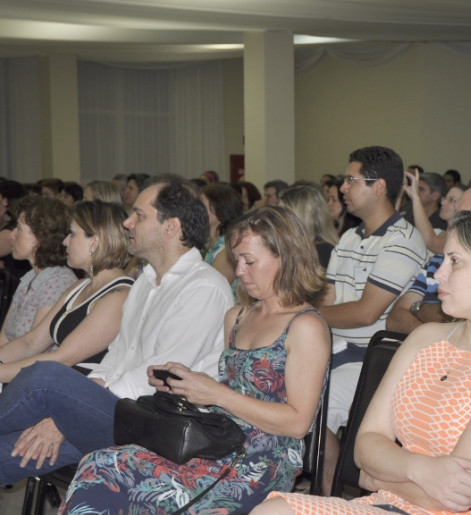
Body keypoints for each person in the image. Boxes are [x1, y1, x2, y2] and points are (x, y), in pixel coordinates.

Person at [255, 207, 471, 515]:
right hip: (391, 506)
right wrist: (418, 470)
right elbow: (364, 446)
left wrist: (380, 477)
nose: (439, 274)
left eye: (455, 261)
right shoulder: (426, 338)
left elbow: (455, 496)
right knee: (273, 510)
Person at [59, 206, 331, 513]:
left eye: (250, 261)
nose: (239, 271)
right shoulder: (238, 317)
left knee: (115, 478)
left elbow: (297, 423)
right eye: (237, 259)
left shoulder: (305, 326)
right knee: (100, 463)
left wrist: (216, 394)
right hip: (217, 441)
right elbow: (228, 393)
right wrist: (186, 382)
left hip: (259, 462)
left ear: (287, 258)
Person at [0, 177, 234, 483]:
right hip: (121, 414)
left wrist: (71, 412)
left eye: (139, 215)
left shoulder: (203, 288)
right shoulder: (146, 281)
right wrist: (77, 407)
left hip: (160, 424)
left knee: (46, 375)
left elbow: (158, 376)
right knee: (11, 451)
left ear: (171, 227)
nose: (127, 222)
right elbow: (116, 356)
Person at [319, 146, 427, 494]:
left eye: (351, 180)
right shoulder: (350, 237)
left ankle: (329, 496)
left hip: (372, 359)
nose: (343, 188)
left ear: (379, 186)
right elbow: (330, 298)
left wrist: (304, 316)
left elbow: (367, 312)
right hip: (335, 345)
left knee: (307, 410)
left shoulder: (403, 242)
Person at [0, 201, 132, 382]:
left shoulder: (118, 296)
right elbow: (30, 342)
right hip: (55, 385)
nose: (64, 242)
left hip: (79, 392)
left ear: (94, 242)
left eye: (72, 234)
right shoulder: (80, 286)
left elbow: (62, 358)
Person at [386, 185, 471, 334]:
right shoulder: (438, 262)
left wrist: (419, 308)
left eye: (470, 218)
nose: (458, 224)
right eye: (458, 215)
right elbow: (394, 319)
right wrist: (436, 340)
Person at [1, 196, 77, 345]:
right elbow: (4, 336)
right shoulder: (29, 277)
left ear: (41, 237)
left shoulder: (57, 283)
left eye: (19, 229)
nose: (12, 234)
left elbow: (34, 347)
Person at [280, 184, 339, 268]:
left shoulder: (322, 252)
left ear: (300, 216)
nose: (277, 218)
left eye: (283, 213)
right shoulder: (295, 248)